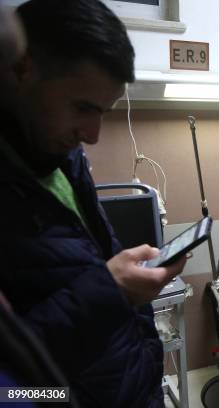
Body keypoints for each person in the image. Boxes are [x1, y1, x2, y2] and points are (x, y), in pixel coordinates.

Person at [0, 0, 186, 406]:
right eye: (82, 107)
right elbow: (10, 386)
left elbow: (89, 259)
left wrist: (126, 287)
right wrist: (110, 290)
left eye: (104, 111)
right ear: (20, 70)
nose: (94, 134)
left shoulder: (63, 157)